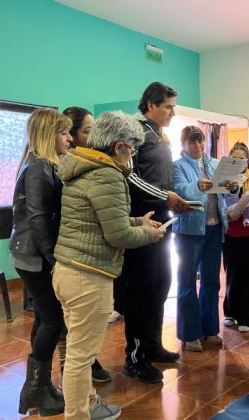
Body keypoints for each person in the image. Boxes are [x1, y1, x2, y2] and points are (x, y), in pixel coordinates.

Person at [52, 111, 165, 420]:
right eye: (132, 148)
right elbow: (118, 235)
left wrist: (138, 221)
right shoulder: (108, 174)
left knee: (77, 353)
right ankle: (78, 415)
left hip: (67, 271)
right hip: (89, 276)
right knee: (80, 357)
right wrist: (149, 233)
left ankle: (87, 405)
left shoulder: (83, 167)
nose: (133, 155)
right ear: (119, 147)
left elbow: (100, 218)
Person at [119, 82, 189, 384]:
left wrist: (178, 197)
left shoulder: (160, 135)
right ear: (150, 104)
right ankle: (135, 358)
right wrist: (165, 197)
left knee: (161, 285)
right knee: (140, 292)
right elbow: (128, 175)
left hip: (163, 220)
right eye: (168, 106)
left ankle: (152, 345)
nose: (173, 112)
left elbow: (165, 179)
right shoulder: (134, 131)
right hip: (140, 222)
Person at [10, 108, 71, 416]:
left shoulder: (44, 164)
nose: (70, 138)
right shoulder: (38, 167)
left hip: (33, 252)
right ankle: (34, 390)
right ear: (49, 135)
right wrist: (53, 257)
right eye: (64, 133)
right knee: (53, 319)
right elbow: (37, 218)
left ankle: (40, 385)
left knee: (44, 317)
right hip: (34, 254)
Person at [173, 126, 238, 351]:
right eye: (192, 142)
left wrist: (232, 187)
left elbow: (227, 193)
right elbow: (180, 191)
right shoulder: (178, 166)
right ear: (183, 144)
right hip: (189, 231)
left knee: (211, 281)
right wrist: (198, 186)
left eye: (200, 142)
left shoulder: (214, 163)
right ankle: (190, 334)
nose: (198, 146)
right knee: (187, 282)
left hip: (214, 229)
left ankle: (210, 330)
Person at [60, 106, 112, 384]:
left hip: (70, 254)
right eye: (87, 131)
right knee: (62, 326)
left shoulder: (87, 166)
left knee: (76, 328)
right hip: (68, 258)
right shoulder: (68, 168)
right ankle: (71, 379)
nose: (92, 138)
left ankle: (81, 370)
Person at [222, 142, 249, 332]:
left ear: (247, 161)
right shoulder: (223, 180)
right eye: (235, 159)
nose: (239, 162)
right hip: (231, 234)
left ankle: (247, 318)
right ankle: (230, 311)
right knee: (232, 275)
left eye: (242, 159)